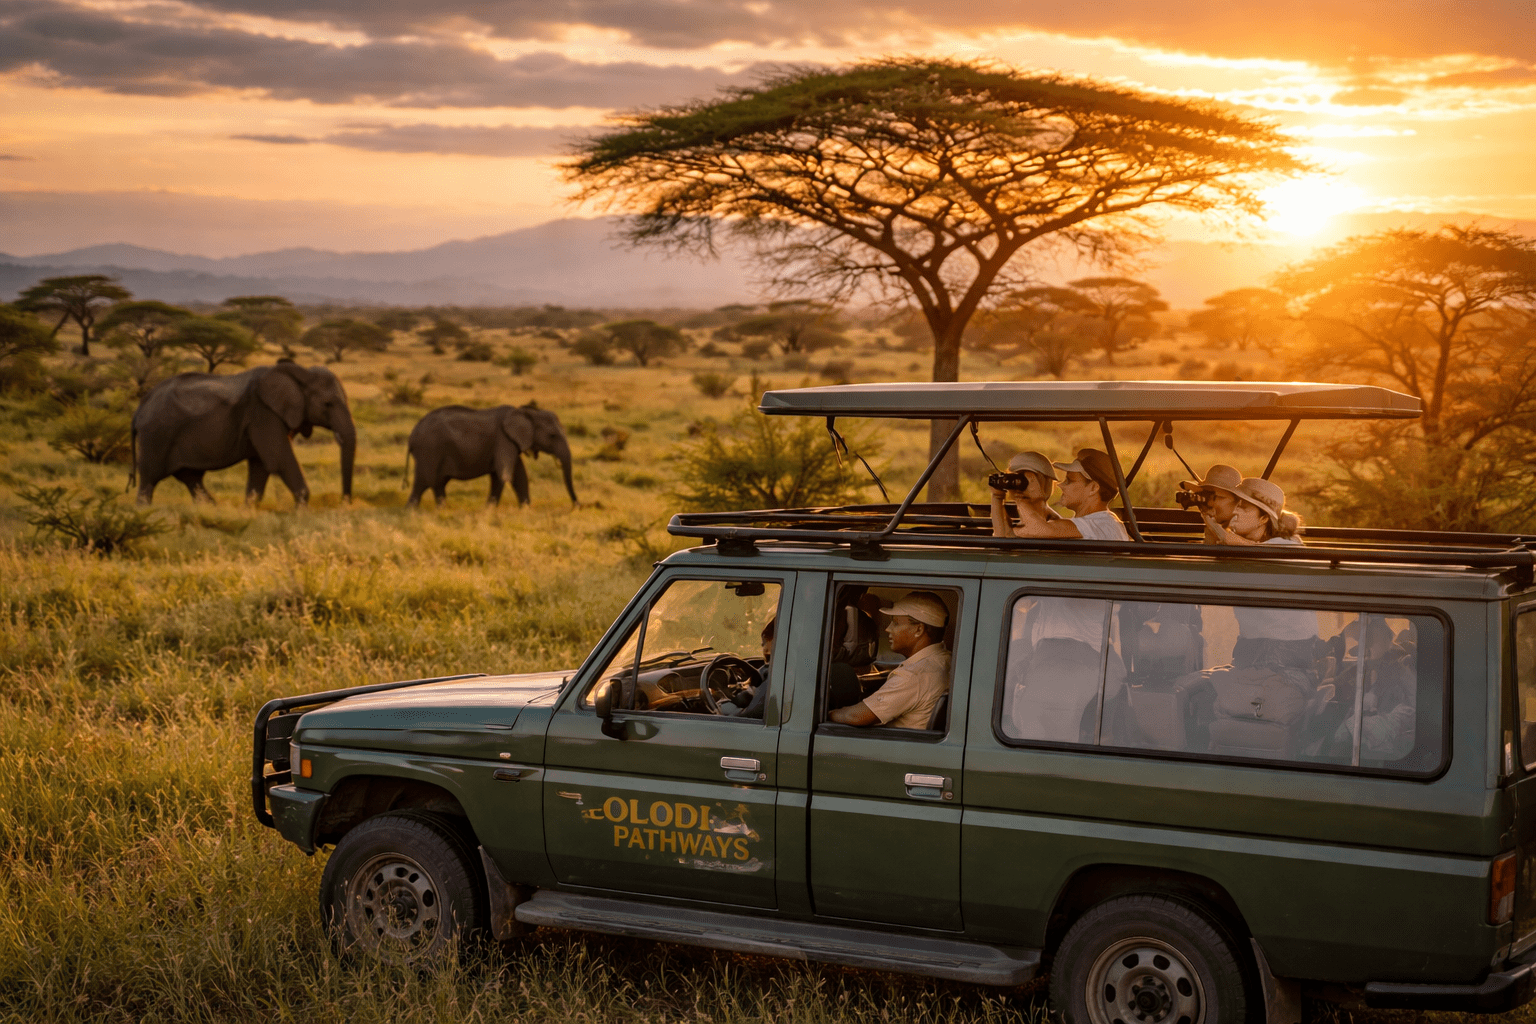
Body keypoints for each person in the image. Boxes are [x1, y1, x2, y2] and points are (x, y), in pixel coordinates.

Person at [1201, 478, 1316, 670]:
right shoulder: (1244, 544)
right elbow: (1209, 568)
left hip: (1285, 651)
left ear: (1264, 519)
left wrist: (1212, 524)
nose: (1235, 512)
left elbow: (1242, 546)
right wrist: (1211, 525)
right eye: (1236, 505)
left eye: (1244, 508)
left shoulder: (1284, 545)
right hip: (1253, 644)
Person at [829, 591, 950, 729]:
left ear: (918, 629)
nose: (888, 628)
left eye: (896, 623)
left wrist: (826, 714)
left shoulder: (914, 676)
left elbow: (855, 716)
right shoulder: (946, 660)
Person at [1010, 449, 1129, 541]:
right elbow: (1056, 526)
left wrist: (1020, 498)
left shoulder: (1102, 524)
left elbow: (1035, 529)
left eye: (1069, 481)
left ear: (1093, 488)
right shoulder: (1099, 523)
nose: (1061, 485)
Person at [988, 451, 1061, 539]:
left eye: (1028, 477)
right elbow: (1002, 537)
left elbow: (1037, 530)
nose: (1020, 484)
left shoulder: (1056, 524)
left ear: (1047, 483)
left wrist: (1022, 502)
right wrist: (997, 498)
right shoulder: (1021, 525)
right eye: (1015, 477)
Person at [1179, 463, 1243, 544]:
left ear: (1238, 501)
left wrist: (1210, 522)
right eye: (1208, 495)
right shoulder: (1220, 521)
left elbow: (1229, 542)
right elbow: (1211, 545)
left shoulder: (1243, 523)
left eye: (1217, 497)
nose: (1209, 502)